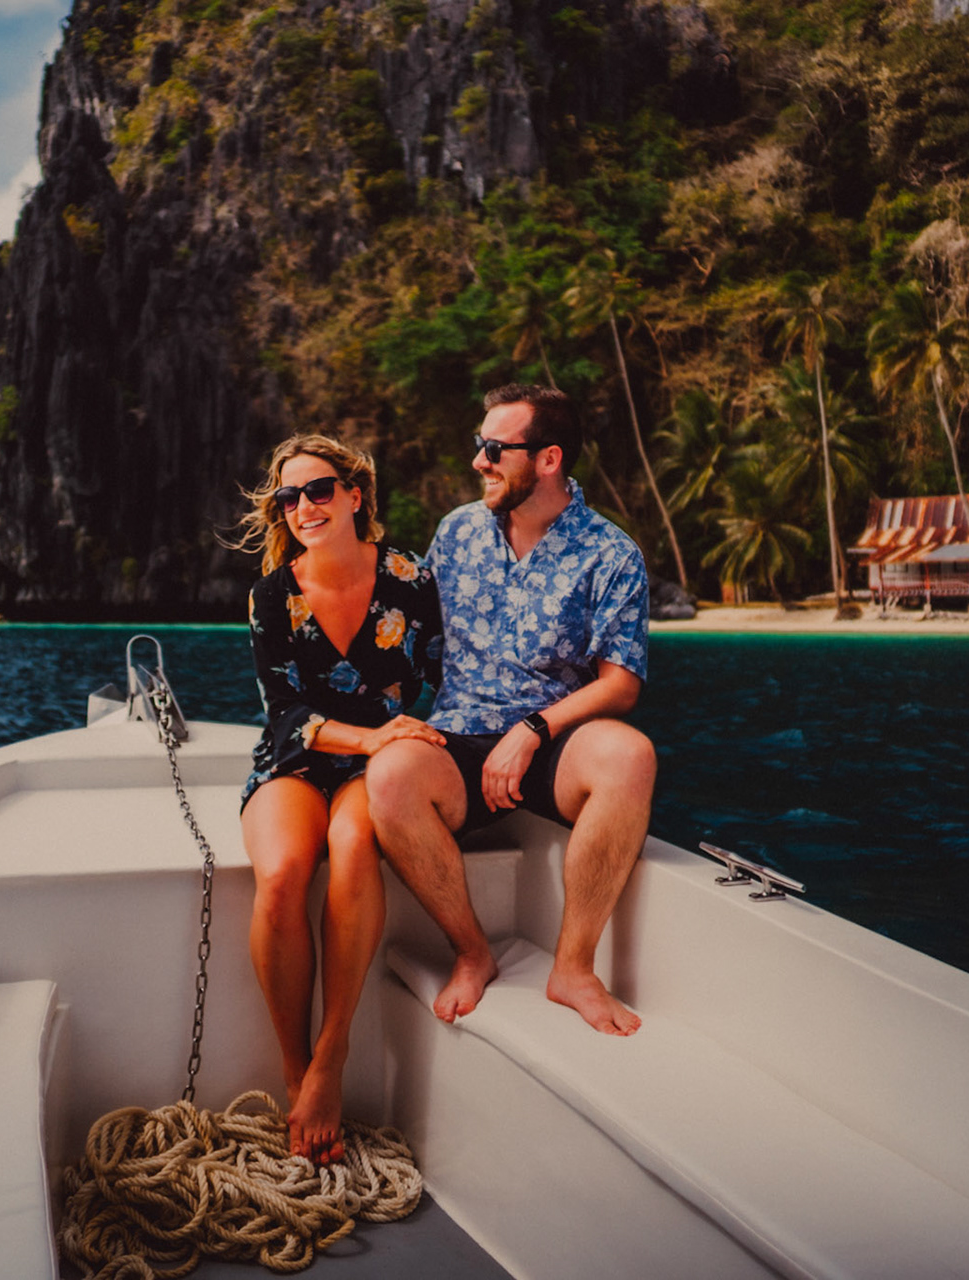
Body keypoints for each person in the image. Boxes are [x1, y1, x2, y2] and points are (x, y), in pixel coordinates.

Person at [366, 384, 656, 1036]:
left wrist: (533, 729)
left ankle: (574, 968)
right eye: (479, 446)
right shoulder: (458, 532)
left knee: (629, 755)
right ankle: (473, 953)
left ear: (548, 458)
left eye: (495, 449)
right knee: (388, 776)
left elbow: (621, 684)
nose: (479, 462)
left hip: (552, 736)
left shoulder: (610, 554)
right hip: (461, 731)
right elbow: (415, 641)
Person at [235, 434, 445, 1162]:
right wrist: (370, 739)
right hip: (301, 754)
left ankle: (333, 1053)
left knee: (353, 845)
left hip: (377, 765)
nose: (304, 507)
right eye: (289, 498)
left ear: (356, 494)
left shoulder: (411, 579)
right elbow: (285, 713)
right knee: (286, 873)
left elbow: (442, 677)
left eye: (319, 490)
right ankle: (296, 1070)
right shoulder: (271, 596)